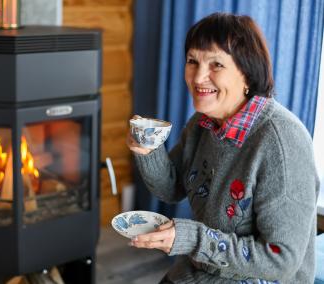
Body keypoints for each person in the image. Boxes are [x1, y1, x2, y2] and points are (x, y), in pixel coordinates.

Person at [127, 12, 319, 284]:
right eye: (192, 61)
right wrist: (148, 150)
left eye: (216, 64)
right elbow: (171, 188)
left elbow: (281, 260)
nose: (198, 77)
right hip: (205, 269)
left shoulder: (282, 141)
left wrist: (192, 240)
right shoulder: (202, 124)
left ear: (247, 75)